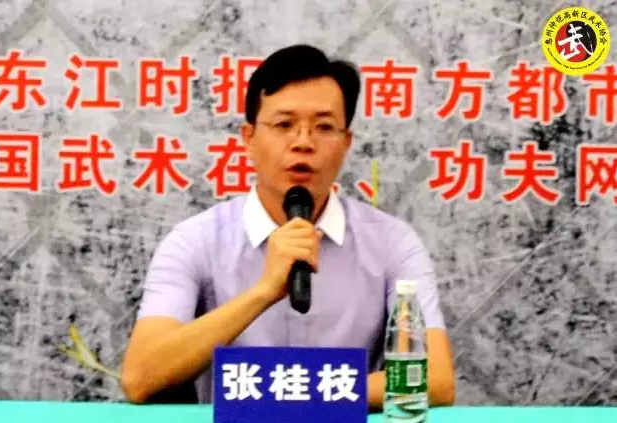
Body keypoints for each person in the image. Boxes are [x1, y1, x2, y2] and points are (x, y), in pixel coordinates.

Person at [121, 44, 455, 409]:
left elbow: (435, 379)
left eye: (324, 127)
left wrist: (286, 391)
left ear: (346, 143)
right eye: (283, 125)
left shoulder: (391, 243)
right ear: (248, 138)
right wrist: (263, 291)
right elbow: (141, 377)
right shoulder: (195, 241)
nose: (303, 143)